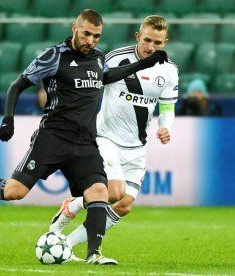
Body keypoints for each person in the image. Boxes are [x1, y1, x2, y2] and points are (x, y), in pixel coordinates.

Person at [0, 9, 168, 265]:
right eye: (87, 33)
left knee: (100, 191)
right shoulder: (54, 56)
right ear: (74, 28)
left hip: (85, 143)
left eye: (97, 36)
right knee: (14, 191)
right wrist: (7, 119)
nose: (91, 40)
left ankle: (94, 254)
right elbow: (18, 85)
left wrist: (143, 64)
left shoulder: (99, 57)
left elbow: (106, 77)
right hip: (52, 138)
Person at [49, 15, 179, 251]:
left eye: (157, 43)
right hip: (106, 138)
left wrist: (165, 127)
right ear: (138, 36)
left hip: (137, 146)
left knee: (124, 204)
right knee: (114, 192)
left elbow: (167, 106)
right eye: (147, 40)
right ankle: (76, 206)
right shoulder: (115, 58)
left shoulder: (169, 71)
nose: (151, 47)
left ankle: (66, 243)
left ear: (165, 42)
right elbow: (89, 84)